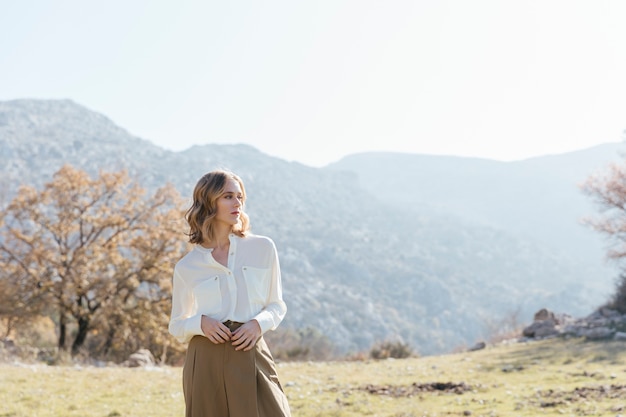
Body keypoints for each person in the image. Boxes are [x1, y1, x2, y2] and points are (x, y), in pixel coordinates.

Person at [168, 169, 291, 417]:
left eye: (240, 197)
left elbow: (276, 305)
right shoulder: (187, 267)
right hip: (205, 361)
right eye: (228, 196)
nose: (237, 203)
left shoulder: (262, 248)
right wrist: (200, 323)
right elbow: (177, 326)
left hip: (251, 352)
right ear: (208, 202)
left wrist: (258, 324)